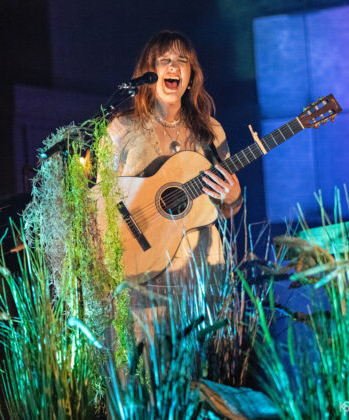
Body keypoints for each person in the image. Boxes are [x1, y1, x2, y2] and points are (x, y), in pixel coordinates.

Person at [99, 30, 243, 337]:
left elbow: (225, 208)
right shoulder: (122, 128)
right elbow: (100, 202)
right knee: (145, 360)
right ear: (149, 72)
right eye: (164, 60)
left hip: (200, 269)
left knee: (200, 360)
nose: (173, 66)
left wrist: (233, 197)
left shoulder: (211, 132)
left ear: (191, 76)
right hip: (141, 269)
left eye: (182, 60)